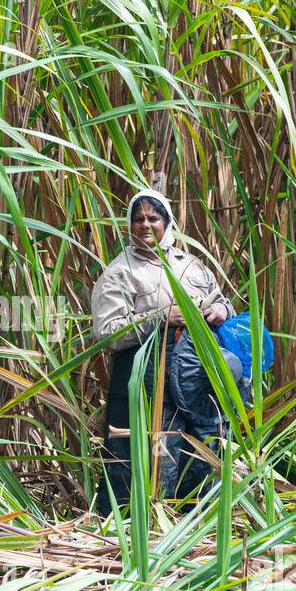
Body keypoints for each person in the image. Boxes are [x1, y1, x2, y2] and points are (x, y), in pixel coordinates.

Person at [91, 188, 233, 509]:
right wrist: (161, 317)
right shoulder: (120, 272)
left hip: (196, 384)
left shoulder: (192, 266)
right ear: (130, 224)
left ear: (166, 222)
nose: (145, 224)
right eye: (138, 218)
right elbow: (107, 332)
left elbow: (221, 301)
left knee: (200, 455)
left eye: (153, 218)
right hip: (146, 386)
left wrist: (223, 310)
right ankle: (140, 533)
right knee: (148, 463)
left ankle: (197, 532)